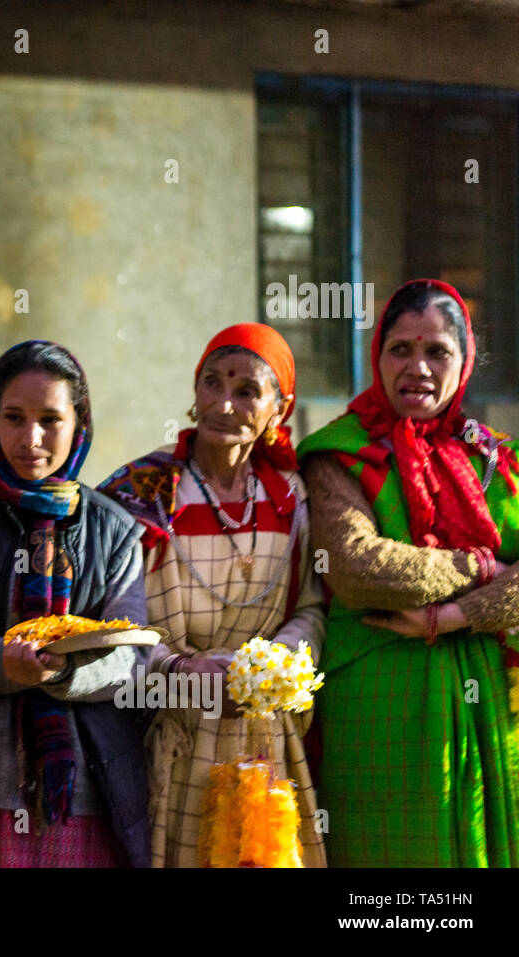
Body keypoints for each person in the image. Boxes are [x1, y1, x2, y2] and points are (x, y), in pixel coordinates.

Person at [297, 279, 519, 867]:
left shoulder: (498, 459)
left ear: (464, 359)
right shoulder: (340, 451)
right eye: (401, 349)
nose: (417, 367)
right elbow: (357, 565)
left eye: (437, 351)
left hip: (489, 700)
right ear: (378, 357)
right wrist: (480, 565)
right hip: (377, 706)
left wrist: (457, 616)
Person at [100, 323, 326, 867]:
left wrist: (275, 667)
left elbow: (312, 608)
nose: (224, 404)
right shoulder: (143, 491)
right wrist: (179, 673)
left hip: (266, 739)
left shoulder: (290, 499)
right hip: (174, 736)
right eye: (211, 383)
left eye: (247, 390)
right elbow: (108, 623)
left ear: (279, 407)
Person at [0, 340, 151, 868]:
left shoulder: (113, 530)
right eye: (14, 417)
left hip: (83, 794)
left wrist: (63, 671)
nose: (32, 439)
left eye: (51, 419)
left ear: (80, 422)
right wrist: (3, 661)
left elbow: (132, 660)